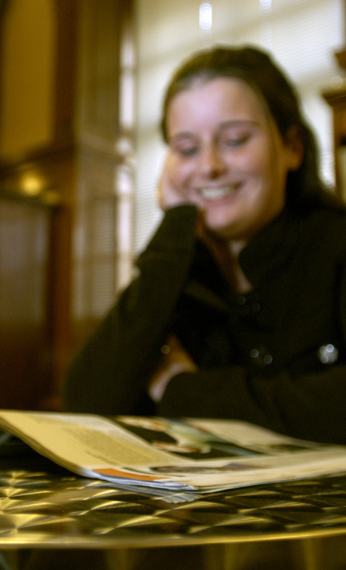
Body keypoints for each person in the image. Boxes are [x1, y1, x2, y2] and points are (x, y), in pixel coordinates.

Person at [62, 45, 346, 445]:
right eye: (187, 149)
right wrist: (175, 227)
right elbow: (83, 405)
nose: (209, 166)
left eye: (234, 140)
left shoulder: (335, 242)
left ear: (292, 148)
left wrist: (185, 391)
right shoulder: (178, 272)